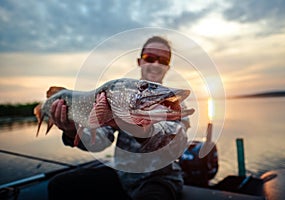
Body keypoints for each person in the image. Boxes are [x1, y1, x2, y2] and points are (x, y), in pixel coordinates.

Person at [48, 36, 191, 200]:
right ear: (140, 62)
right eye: (149, 58)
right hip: (123, 176)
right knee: (59, 185)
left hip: (160, 179)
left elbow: (176, 147)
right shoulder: (117, 97)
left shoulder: (174, 105)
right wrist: (72, 130)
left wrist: (142, 131)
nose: (156, 64)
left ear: (168, 67)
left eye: (163, 60)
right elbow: (99, 142)